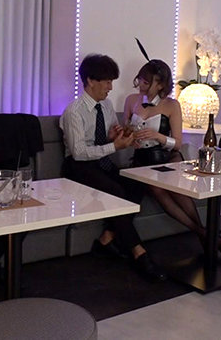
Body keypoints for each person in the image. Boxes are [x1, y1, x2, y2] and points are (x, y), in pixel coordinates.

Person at [60, 54, 166, 282]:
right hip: (78, 167)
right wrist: (114, 146)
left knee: (137, 183)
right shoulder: (73, 112)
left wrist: (118, 135)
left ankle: (106, 239)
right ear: (90, 81)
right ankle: (139, 252)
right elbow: (79, 152)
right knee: (116, 191)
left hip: (101, 162)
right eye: (107, 82)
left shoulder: (106, 105)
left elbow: (110, 134)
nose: (110, 87)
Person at [123, 59, 221, 255]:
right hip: (142, 160)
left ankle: (203, 235)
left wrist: (158, 136)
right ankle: (204, 234)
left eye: (147, 82)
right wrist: (130, 138)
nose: (142, 85)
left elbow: (177, 143)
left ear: (160, 84)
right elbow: (126, 132)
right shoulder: (131, 100)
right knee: (157, 188)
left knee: (176, 188)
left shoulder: (172, 105)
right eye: (141, 80)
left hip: (167, 156)